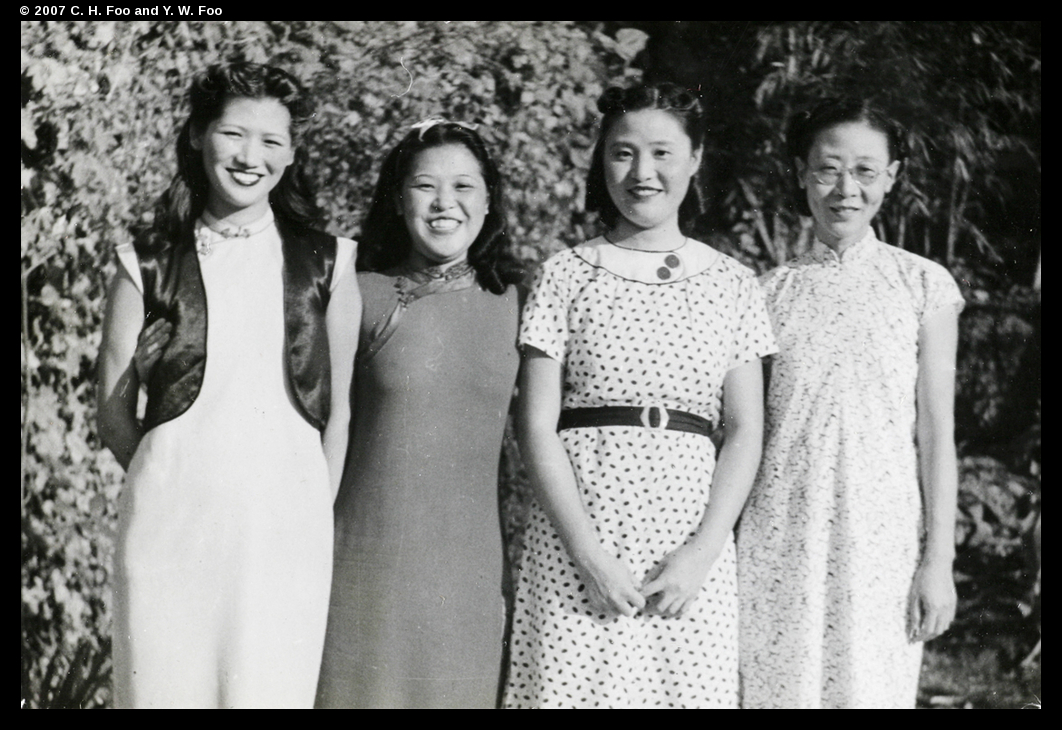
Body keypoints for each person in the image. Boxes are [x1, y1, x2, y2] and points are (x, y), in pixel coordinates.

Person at [502, 83, 777, 709]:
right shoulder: (566, 273)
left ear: (695, 158)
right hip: (579, 540)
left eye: (661, 152)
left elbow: (744, 431)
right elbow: (535, 425)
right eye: (623, 153)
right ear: (603, 161)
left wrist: (702, 554)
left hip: (687, 550)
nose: (642, 172)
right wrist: (587, 555)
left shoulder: (734, 284)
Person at [97, 61, 360, 708]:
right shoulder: (146, 263)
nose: (250, 157)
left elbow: (342, 413)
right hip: (170, 533)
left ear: (292, 153)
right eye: (233, 134)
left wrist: (307, 510)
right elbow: (111, 412)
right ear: (197, 135)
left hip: (283, 535)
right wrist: (169, 479)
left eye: (271, 141)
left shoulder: (330, 262)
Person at [737, 98, 964, 709]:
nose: (845, 189)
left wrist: (937, 560)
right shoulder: (764, 293)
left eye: (865, 171)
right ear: (801, 173)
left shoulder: (922, 284)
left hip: (881, 541)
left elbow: (937, 434)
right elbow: (743, 434)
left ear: (891, 178)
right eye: (828, 168)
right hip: (779, 538)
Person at [314, 119, 524, 709]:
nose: (443, 204)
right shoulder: (357, 292)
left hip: (468, 577)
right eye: (424, 186)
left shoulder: (518, 302)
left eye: (463, 187)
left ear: (488, 200)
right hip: (361, 571)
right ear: (397, 198)